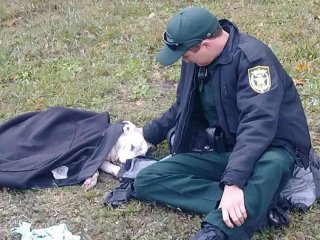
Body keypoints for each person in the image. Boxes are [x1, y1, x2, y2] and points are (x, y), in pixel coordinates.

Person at [133, 6, 311, 240]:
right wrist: (147, 135)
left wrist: (234, 182)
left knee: (273, 165)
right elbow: (181, 106)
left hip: (271, 148)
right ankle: (248, 207)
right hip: (227, 150)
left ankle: (219, 230)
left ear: (204, 45)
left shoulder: (253, 60)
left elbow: (258, 124)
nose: (184, 60)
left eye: (186, 55)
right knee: (146, 180)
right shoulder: (195, 61)